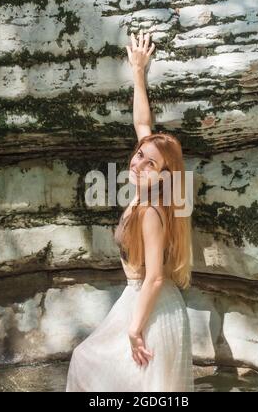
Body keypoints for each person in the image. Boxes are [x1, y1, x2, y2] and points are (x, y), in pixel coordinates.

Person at [66, 30, 194, 392]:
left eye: (148, 163)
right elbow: (143, 126)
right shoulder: (151, 189)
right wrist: (138, 72)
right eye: (139, 155)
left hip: (149, 305)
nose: (137, 163)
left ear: (163, 174)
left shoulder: (152, 209)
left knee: (95, 367)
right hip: (142, 299)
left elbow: (154, 276)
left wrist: (135, 329)